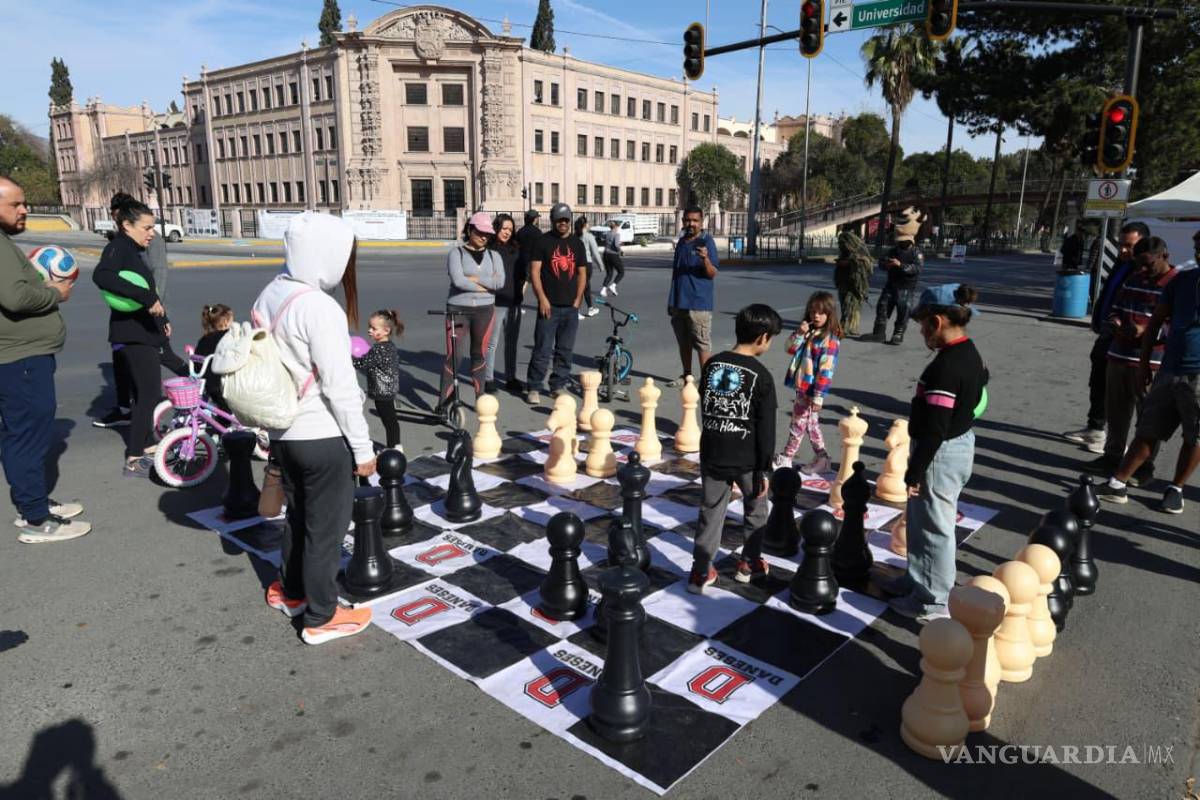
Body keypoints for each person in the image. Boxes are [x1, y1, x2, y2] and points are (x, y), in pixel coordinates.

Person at [251, 211, 376, 645]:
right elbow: (340, 388)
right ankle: (322, 616)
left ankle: (290, 591)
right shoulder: (320, 308)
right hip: (320, 436)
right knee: (325, 530)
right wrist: (363, 450)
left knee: (299, 518)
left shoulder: (272, 292)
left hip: (284, 433)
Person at [877, 284, 989, 621]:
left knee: (935, 528)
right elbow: (980, 392)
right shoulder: (968, 352)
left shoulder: (946, 367)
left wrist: (915, 470)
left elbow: (937, 427)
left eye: (924, 326)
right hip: (955, 444)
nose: (923, 333)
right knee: (921, 521)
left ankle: (933, 600)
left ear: (937, 322)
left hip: (939, 452)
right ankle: (917, 579)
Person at [0, 175, 91, 543]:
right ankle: (37, 520)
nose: (25, 210)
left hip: (22, 358)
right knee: (26, 436)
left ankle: (34, 502)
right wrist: (53, 292)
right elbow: (16, 298)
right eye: (16, 204)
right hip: (20, 360)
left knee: (24, 434)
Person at [1098, 240, 1200, 514]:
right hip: (1169, 368)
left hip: (1197, 375)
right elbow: (1156, 321)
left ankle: (1175, 488)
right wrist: (1144, 364)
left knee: (1195, 436)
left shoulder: (1177, 277)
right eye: (1197, 246)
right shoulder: (1183, 281)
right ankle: (1117, 483)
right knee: (1149, 428)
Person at [687, 303, 782, 594]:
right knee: (755, 509)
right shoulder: (762, 376)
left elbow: (706, 404)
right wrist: (765, 469)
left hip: (713, 452)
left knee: (711, 510)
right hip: (749, 460)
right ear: (763, 337)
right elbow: (766, 430)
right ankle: (749, 563)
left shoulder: (713, 364)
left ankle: (701, 571)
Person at [92, 199, 171, 478]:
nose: (151, 233)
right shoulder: (118, 248)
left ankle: (148, 445)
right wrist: (148, 297)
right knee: (149, 394)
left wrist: (161, 320)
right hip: (132, 335)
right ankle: (134, 458)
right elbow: (102, 276)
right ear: (127, 225)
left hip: (142, 331)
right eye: (146, 227)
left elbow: (143, 292)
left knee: (143, 394)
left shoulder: (133, 250)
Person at [92, 192, 185, 428]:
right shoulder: (122, 244)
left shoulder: (150, 240)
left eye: (117, 216)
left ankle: (201, 384)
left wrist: (157, 309)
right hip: (133, 317)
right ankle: (126, 409)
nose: (115, 221)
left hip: (149, 315)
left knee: (166, 358)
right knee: (124, 362)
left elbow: (158, 275)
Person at [1087, 236, 1175, 482]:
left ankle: (1144, 465)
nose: (1143, 270)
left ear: (1164, 257)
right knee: (1116, 411)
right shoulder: (1134, 278)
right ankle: (1112, 455)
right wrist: (1116, 322)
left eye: (1148, 264)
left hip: (1152, 361)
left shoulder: (1175, 283)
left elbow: (1175, 324)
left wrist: (1144, 331)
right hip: (1119, 355)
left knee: (1148, 416)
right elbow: (1116, 307)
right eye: (1140, 264)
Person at [1063, 221, 1148, 451]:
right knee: (1098, 382)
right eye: (1121, 244)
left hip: (1124, 341)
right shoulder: (1121, 264)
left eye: (1129, 245)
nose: (1123, 250)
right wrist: (1098, 317)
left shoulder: (1141, 271)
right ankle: (1095, 428)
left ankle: (1114, 443)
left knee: (1118, 392)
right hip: (1106, 333)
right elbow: (1108, 293)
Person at [439, 212, 505, 411]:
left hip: (485, 310)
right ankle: (444, 401)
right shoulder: (456, 253)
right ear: (470, 230)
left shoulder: (495, 255)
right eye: (480, 232)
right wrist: (487, 285)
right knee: (454, 356)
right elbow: (458, 281)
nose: (484, 236)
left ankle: (480, 399)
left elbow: (500, 282)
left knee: (479, 354)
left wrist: (474, 279)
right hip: (458, 309)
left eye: (487, 233)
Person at [525, 203, 587, 405]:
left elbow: (582, 273)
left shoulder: (577, 244)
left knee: (565, 349)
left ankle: (557, 385)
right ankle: (534, 387)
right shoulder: (543, 242)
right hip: (549, 306)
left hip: (570, 307)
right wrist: (541, 298)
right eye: (559, 220)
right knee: (542, 348)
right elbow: (535, 272)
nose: (563, 223)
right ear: (553, 220)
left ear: (570, 221)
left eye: (566, 220)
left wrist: (578, 299)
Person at [776, 291, 842, 473]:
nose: (816, 316)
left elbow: (825, 371)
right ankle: (823, 459)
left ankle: (787, 456)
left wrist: (819, 396)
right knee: (810, 424)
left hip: (812, 390)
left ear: (829, 314)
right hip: (802, 387)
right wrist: (799, 333)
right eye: (813, 312)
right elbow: (789, 349)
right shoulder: (808, 332)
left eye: (821, 312)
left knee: (798, 422)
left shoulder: (829, 340)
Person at [668, 206, 719, 387]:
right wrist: (672, 301)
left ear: (701, 221)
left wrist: (705, 258)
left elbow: (713, 273)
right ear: (683, 221)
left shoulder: (707, 242)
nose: (691, 224)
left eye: (695, 221)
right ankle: (686, 375)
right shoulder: (682, 242)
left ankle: (706, 381)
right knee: (684, 342)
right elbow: (676, 274)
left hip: (698, 304)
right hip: (679, 302)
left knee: (702, 343)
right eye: (688, 220)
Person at [484, 213, 525, 394]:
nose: (507, 232)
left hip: (514, 303)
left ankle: (510, 377)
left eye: (510, 229)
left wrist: (520, 295)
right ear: (496, 228)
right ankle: (488, 379)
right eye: (504, 229)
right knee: (492, 343)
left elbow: (523, 275)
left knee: (511, 342)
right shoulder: (489, 250)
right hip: (495, 303)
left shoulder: (515, 249)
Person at [353, 309, 404, 449]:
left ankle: (394, 449)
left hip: (381, 392)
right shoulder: (390, 346)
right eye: (369, 327)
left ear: (386, 330)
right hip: (389, 389)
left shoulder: (378, 350)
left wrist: (349, 357)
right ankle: (395, 446)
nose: (369, 331)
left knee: (389, 421)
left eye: (374, 328)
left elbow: (360, 363)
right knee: (391, 421)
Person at [869, 232, 924, 345]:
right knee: (882, 307)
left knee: (903, 310)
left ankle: (898, 334)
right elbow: (882, 262)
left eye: (903, 241)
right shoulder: (893, 251)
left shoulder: (916, 253)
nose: (901, 243)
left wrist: (901, 265)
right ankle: (879, 333)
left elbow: (917, 268)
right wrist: (886, 264)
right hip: (891, 284)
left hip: (906, 287)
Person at [193, 303, 234, 412]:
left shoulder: (204, 339)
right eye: (232, 320)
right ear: (226, 321)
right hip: (221, 385)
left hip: (207, 385)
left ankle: (223, 422)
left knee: (224, 412)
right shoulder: (228, 336)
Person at [833, 231, 872, 336]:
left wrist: (854, 261)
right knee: (845, 304)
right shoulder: (844, 251)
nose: (841, 246)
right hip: (844, 281)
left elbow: (867, 265)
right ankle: (846, 325)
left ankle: (849, 326)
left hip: (856, 284)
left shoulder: (860, 251)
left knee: (854, 306)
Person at [575, 216, 602, 319]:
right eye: (588, 223)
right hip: (587, 263)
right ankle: (576, 311)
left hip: (577, 264)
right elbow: (595, 252)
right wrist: (601, 265)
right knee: (582, 287)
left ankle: (590, 308)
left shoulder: (575, 236)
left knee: (586, 287)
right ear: (585, 225)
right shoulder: (589, 236)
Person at [600, 219, 625, 297]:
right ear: (616, 227)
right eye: (618, 227)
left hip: (605, 254)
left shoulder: (607, 234)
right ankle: (613, 286)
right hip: (613, 255)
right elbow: (617, 245)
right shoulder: (617, 234)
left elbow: (606, 241)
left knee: (609, 273)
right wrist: (621, 251)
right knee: (621, 272)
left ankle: (603, 290)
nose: (618, 228)